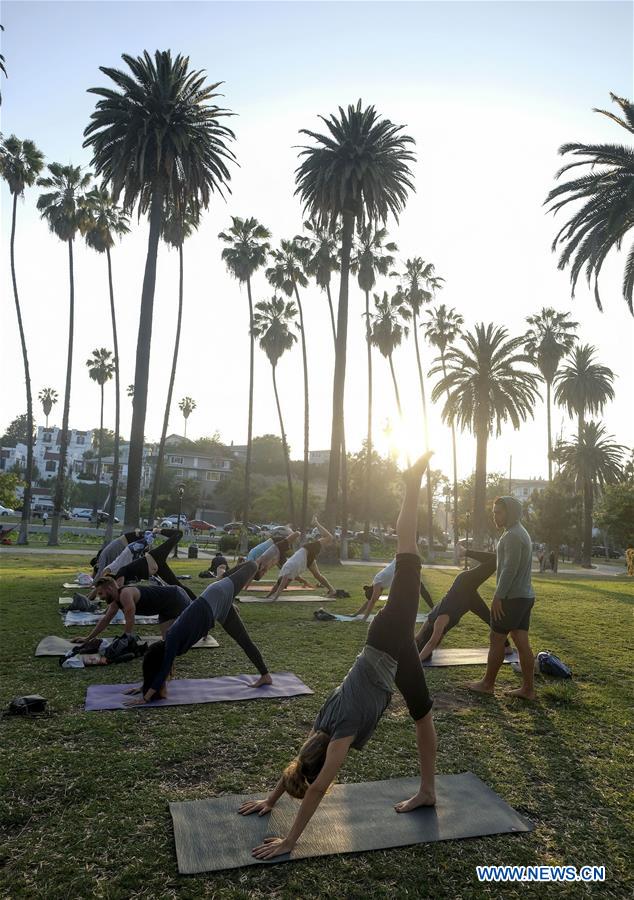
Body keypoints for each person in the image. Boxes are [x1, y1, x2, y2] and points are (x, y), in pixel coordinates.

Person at [239, 453, 437, 861]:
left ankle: (412, 480)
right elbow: (299, 767)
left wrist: (291, 841)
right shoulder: (322, 724)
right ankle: (428, 791)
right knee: (423, 714)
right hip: (388, 653)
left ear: (321, 755)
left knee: (407, 549)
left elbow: (316, 787)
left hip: (388, 637)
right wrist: (271, 800)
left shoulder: (339, 733)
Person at [123, 542, 284, 705]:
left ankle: (269, 555)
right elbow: (159, 669)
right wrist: (144, 687)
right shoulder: (170, 645)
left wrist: (145, 698)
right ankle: (266, 676)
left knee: (251, 565)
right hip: (216, 609)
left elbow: (163, 669)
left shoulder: (171, 640)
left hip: (216, 594)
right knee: (244, 640)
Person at [468, 496, 536, 700]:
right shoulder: (518, 532)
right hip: (524, 597)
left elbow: (509, 570)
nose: (494, 516)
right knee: (521, 641)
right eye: (494, 512)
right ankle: (528, 690)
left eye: (498, 512)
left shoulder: (513, 536)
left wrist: (498, 596)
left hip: (512, 598)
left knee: (496, 638)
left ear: (510, 513)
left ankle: (487, 684)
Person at [415, 545, 512, 660]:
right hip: (467, 600)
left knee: (496, 559)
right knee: (489, 617)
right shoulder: (428, 624)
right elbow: (416, 639)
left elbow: (431, 644)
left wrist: (416, 662)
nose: (436, 646)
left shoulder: (439, 622)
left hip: (464, 583)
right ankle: (506, 645)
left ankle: (465, 552)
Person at [71, 578, 193, 649]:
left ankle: (204, 628)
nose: (100, 597)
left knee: (192, 619)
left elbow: (130, 620)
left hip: (175, 596)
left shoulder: (125, 594)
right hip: (164, 607)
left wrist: (125, 640)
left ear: (109, 589)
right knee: (167, 643)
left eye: (101, 593)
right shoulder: (115, 601)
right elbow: (105, 620)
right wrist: (87, 638)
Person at [102, 529, 194, 598]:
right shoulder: (125, 578)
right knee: (177, 585)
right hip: (157, 567)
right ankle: (194, 602)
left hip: (155, 557)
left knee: (178, 534)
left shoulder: (121, 572)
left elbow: (118, 591)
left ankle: (159, 530)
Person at [264, 519, 336, 601]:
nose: (286, 587)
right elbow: (277, 585)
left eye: (285, 585)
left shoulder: (286, 573)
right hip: (306, 559)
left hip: (308, 550)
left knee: (329, 537)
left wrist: (275, 598)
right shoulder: (285, 576)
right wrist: (268, 596)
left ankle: (316, 522)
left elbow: (280, 586)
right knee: (317, 575)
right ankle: (332, 590)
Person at [352, 558, 433, 620]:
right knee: (420, 590)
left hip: (404, 563)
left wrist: (365, 618)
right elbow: (370, 600)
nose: (378, 596)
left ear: (373, 591)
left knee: (421, 590)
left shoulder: (377, 580)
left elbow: (372, 600)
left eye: (377, 595)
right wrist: (355, 614)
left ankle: (433, 610)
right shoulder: (380, 585)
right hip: (404, 567)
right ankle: (433, 609)